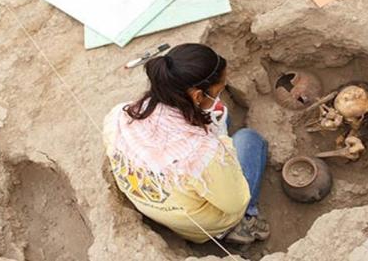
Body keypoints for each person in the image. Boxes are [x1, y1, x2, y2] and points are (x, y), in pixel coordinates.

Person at [102, 43, 270, 245]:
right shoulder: (202, 155)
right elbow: (235, 203)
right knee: (249, 140)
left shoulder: (120, 114)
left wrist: (210, 126)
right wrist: (220, 141)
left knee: (221, 118)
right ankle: (239, 226)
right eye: (219, 89)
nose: (220, 94)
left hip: (160, 204)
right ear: (198, 95)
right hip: (202, 225)